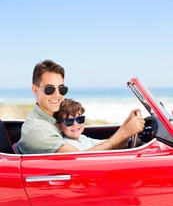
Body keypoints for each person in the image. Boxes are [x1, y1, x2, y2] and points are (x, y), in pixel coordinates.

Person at [17, 59, 145, 154]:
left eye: (62, 89)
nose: (57, 95)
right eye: (49, 89)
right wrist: (125, 132)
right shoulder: (38, 129)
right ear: (35, 90)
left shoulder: (52, 119)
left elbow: (103, 145)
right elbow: (81, 158)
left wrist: (126, 126)